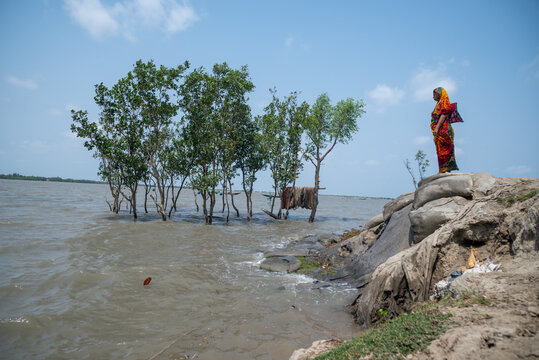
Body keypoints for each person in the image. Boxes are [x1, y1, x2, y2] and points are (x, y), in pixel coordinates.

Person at [431, 87, 459, 173]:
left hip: (444, 130)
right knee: (441, 150)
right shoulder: (438, 104)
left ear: (439, 94)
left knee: (445, 150)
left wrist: (436, 128)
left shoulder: (444, 103)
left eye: (434, 94)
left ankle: (446, 169)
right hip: (440, 131)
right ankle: (444, 168)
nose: (433, 97)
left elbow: (443, 115)